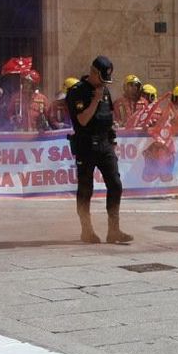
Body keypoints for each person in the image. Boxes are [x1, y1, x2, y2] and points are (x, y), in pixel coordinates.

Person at [66, 55, 131, 244]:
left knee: (116, 185)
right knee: (86, 189)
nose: (104, 84)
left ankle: (114, 230)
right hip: (86, 145)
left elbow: (108, 117)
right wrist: (94, 100)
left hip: (104, 145)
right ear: (93, 72)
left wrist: (112, 140)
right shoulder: (77, 91)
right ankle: (87, 230)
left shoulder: (105, 91)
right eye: (102, 79)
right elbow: (82, 120)